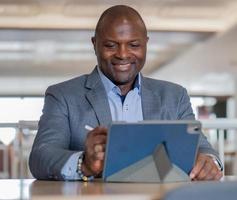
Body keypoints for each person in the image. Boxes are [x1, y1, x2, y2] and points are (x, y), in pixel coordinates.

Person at [29, 5, 223, 181]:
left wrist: (210, 163)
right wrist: (84, 164)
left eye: (134, 45)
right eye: (110, 45)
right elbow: (41, 156)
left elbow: (203, 149)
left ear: (146, 44)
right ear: (94, 44)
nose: (122, 54)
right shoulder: (63, 96)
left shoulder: (175, 96)